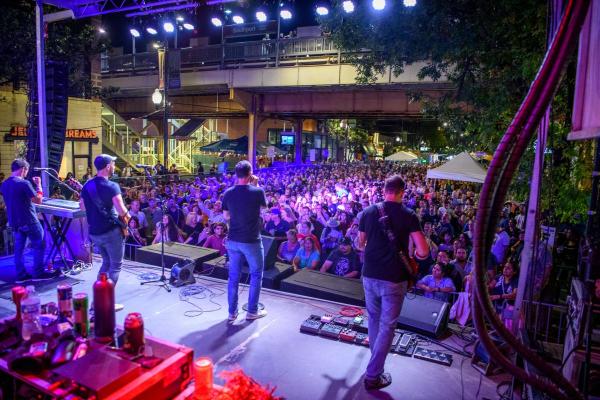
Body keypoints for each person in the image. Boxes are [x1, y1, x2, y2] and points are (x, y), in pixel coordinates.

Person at [358, 175, 429, 391]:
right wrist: (416, 255)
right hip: (394, 278)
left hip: (369, 274)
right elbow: (423, 251)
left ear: (384, 190)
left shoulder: (368, 212)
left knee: (373, 320)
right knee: (387, 326)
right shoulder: (409, 215)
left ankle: (375, 365)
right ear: (402, 192)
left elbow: (360, 244)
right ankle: (373, 375)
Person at [80, 154, 129, 308]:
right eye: (113, 164)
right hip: (110, 232)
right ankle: (103, 302)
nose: (114, 167)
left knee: (105, 263)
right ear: (108, 166)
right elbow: (122, 211)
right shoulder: (112, 186)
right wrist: (129, 215)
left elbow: (82, 207)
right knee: (115, 266)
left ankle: (97, 299)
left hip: (95, 232)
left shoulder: (87, 185)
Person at [222, 160, 268, 321]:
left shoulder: (228, 192)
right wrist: (255, 185)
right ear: (250, 174)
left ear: (236, 174)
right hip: (251, 241)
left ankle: (232, 313)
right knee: (256, 275)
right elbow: (264, 208)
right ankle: (251, 312)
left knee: (233, 277)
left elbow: (226, 216)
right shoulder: (258, 192)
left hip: (233, 240)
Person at [1, 159, 57, 282]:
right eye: (26, 170)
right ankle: (39, 273)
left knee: (19, 249)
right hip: (29, 220)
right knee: (39, 245)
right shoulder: (24, 183)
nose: (27, 173)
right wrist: (39, 185)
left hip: (15, 222)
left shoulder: (4, 184)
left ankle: (21, 275)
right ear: (23, 169)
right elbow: (38, 200)